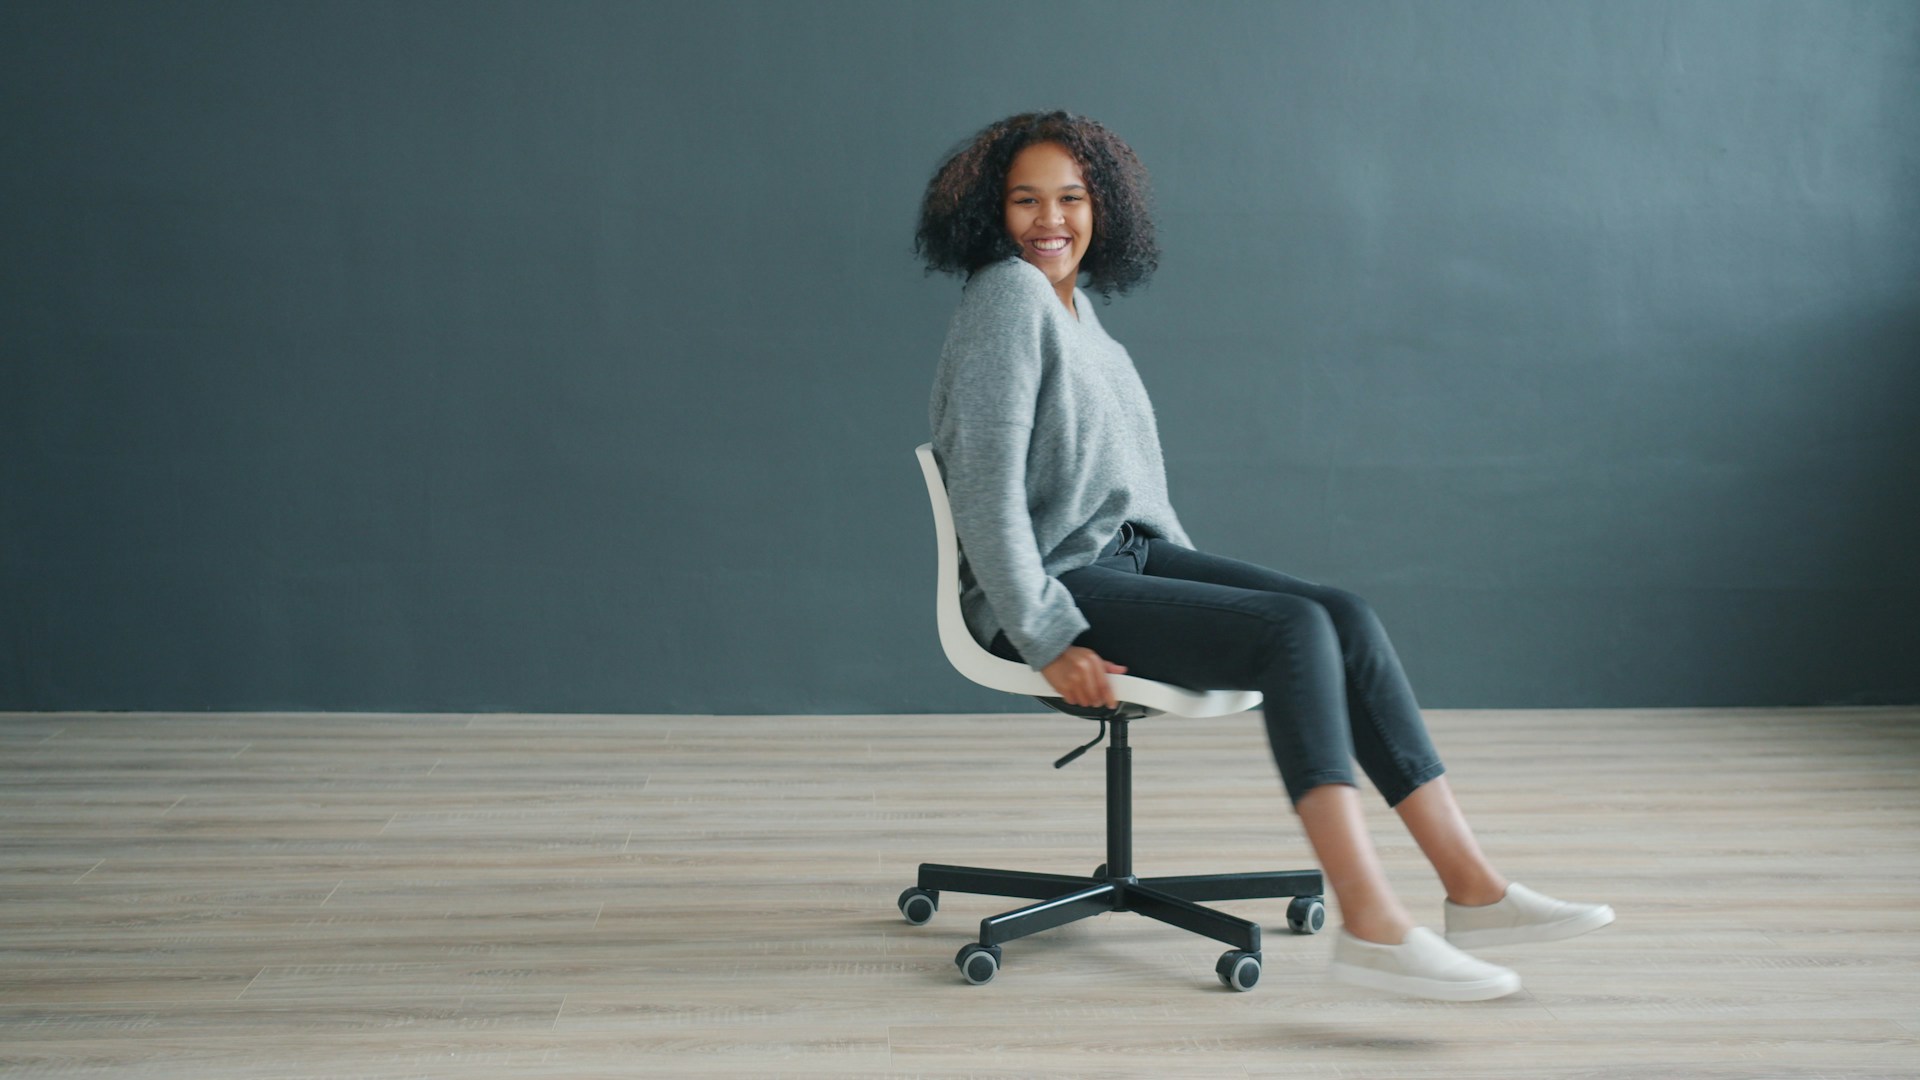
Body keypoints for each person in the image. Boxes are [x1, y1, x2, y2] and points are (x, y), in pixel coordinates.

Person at [915, 110, 1612, 1002]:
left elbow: (1129, 492)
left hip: (1130, 562)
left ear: (1104, 208)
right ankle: (1371, 923)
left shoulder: (1077, 311)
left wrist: (1197, 598)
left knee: (1342, 616)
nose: (1050, 220)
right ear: (989, 213)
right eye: (1025, 201)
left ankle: (1474, 889)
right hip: (1060, 586)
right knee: (1292, 635)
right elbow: (984, 492)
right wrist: (1047, 634)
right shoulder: (1006, 299)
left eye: (1071, 198)